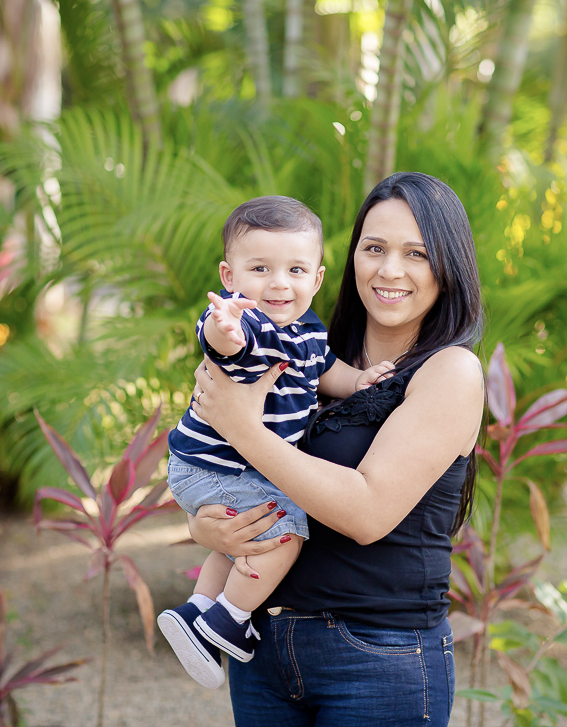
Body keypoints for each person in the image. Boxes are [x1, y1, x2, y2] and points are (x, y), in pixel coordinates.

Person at [186, 172, 485, 727]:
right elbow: (233, 467)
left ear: (448, 266)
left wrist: (243, 427)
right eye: (374, 248)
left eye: (416, 253)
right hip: (264, 649)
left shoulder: (451, 371)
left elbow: (367, 512)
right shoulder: (312, 351)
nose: (389, 270)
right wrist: (207, 528)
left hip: (378, 659)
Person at [158, 195, 394, 690]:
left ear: (318, 278)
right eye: (260, 268)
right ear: (229, 276)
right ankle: (229, 620)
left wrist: (359, 382)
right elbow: (224, 341)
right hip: (219, 466)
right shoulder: (248, 322)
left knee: (236, 541)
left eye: (294, 269)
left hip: (220, 469)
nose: (278, 283)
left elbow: (326, 372)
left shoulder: (307, 331)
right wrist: (226, 329)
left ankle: (198, 611)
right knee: (283, 534)